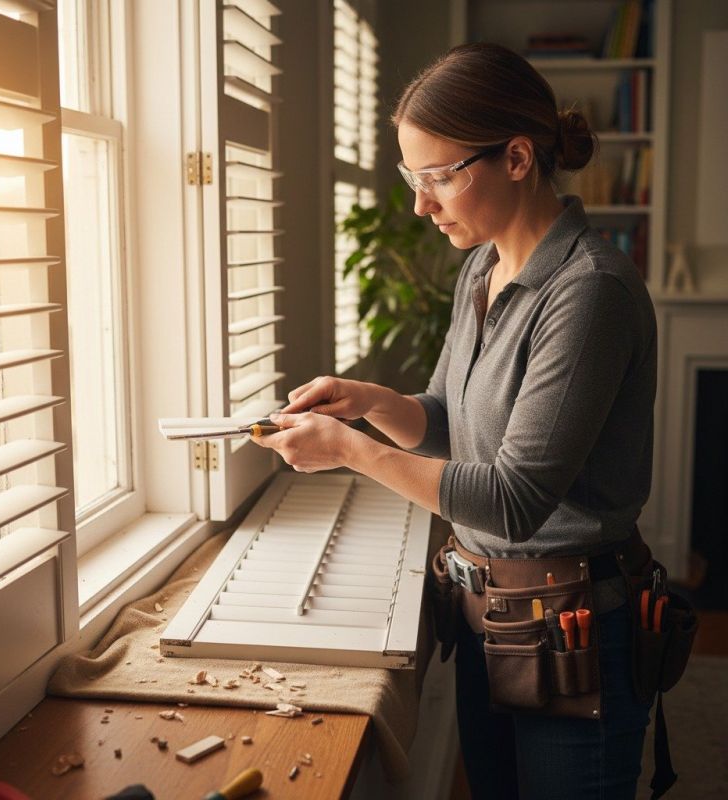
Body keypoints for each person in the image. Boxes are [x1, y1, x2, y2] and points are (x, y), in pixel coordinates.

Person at [253, 42, 657, 799]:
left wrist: (348, 451)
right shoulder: (481, 267)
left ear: (515, 157)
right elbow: (447, 424)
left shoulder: (589, 293)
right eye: (414, 177)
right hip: (487, 618)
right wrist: (371, 404)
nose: (420, 204)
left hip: (570, 633)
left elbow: (512, 498)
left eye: (439, 176)